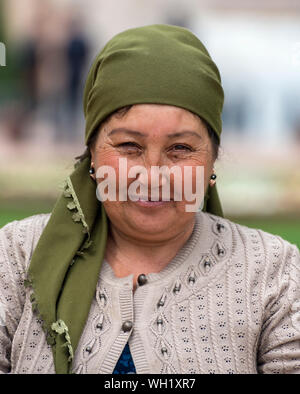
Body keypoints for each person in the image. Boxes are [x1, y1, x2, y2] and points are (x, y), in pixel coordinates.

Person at [0, 24, 299, 375]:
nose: (153, 174)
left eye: (180, 149)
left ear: (212, 162)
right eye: (129, 146)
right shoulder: (16, 257)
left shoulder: (273, 274)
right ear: (92, 156)